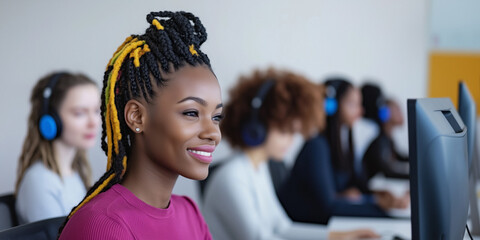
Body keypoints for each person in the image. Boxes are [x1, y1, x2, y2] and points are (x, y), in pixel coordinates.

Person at [58, 11, 220, 239]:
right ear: (136, 117)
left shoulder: (190, 212)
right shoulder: (102, 226)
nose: (214, 133)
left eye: (216, 117)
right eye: (192, 113)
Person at [203, 69, 379, 240]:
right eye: (284, 131)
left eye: (293, 132)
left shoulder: (258, 168)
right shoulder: (233, 176)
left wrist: (339, 236)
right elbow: (261, 238)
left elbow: (283, 227)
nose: (290, 141)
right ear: (256, 127)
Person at [278, 78, 408, 225]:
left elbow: (352, 186)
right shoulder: (316, 146)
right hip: (304, 227)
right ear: (331, 106)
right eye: (353, 104)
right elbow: (328, 206)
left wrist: (379, 196)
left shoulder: (343, 142)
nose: (360, 111)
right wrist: (378, 205)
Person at [15, 72, 100, 224]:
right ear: (51, 121)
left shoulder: (76, 174)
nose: (93, 122)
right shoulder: (40, 181)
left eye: (96, 111)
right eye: (80, 113)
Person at [361, 83, 409, 181]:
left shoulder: (388, 139)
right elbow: (385, 171)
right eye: (397, 109)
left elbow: (400, 157)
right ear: (385, 113)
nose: (402, 113)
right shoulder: (377, 141)